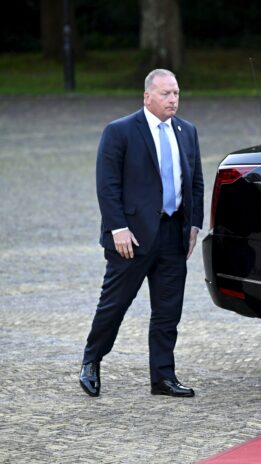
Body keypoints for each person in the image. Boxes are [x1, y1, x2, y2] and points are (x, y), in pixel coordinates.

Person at [79, 69, 204, 398]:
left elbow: (195, 183)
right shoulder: (120, 131)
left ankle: (163, 377)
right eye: (166, 93)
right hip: (130, 238)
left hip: (173, 234)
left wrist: (193, 226)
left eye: (176, 93)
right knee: (114, 305)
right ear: (147, 96)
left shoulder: (187, 132)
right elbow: (107, 186)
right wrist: (118, 227)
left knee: (168, 311)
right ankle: (91, 361)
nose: (173, 99)